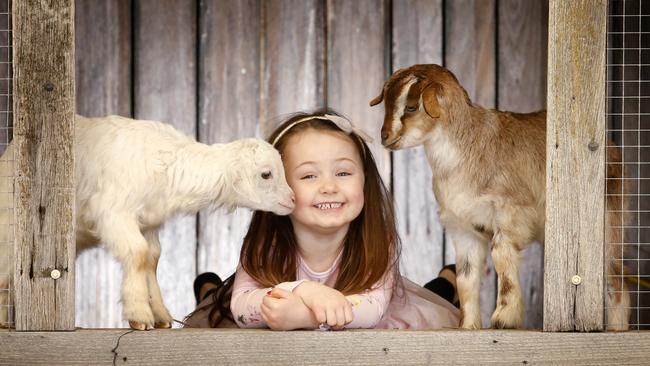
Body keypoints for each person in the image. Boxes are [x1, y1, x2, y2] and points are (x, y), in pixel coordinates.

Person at [184, 110, 460, 330]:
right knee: (218, 306)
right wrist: (302, 290)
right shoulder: (265, 243)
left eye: (343, 173)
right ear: (280, 188)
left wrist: (306, 316)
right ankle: (209, 287)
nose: (329, 187)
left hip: (388, 307)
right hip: (261, 295)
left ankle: (449, 280)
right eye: (308, 176)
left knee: (433, 303)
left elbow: (373, 310)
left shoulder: (378, 242)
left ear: (365, 180)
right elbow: (242, 309)